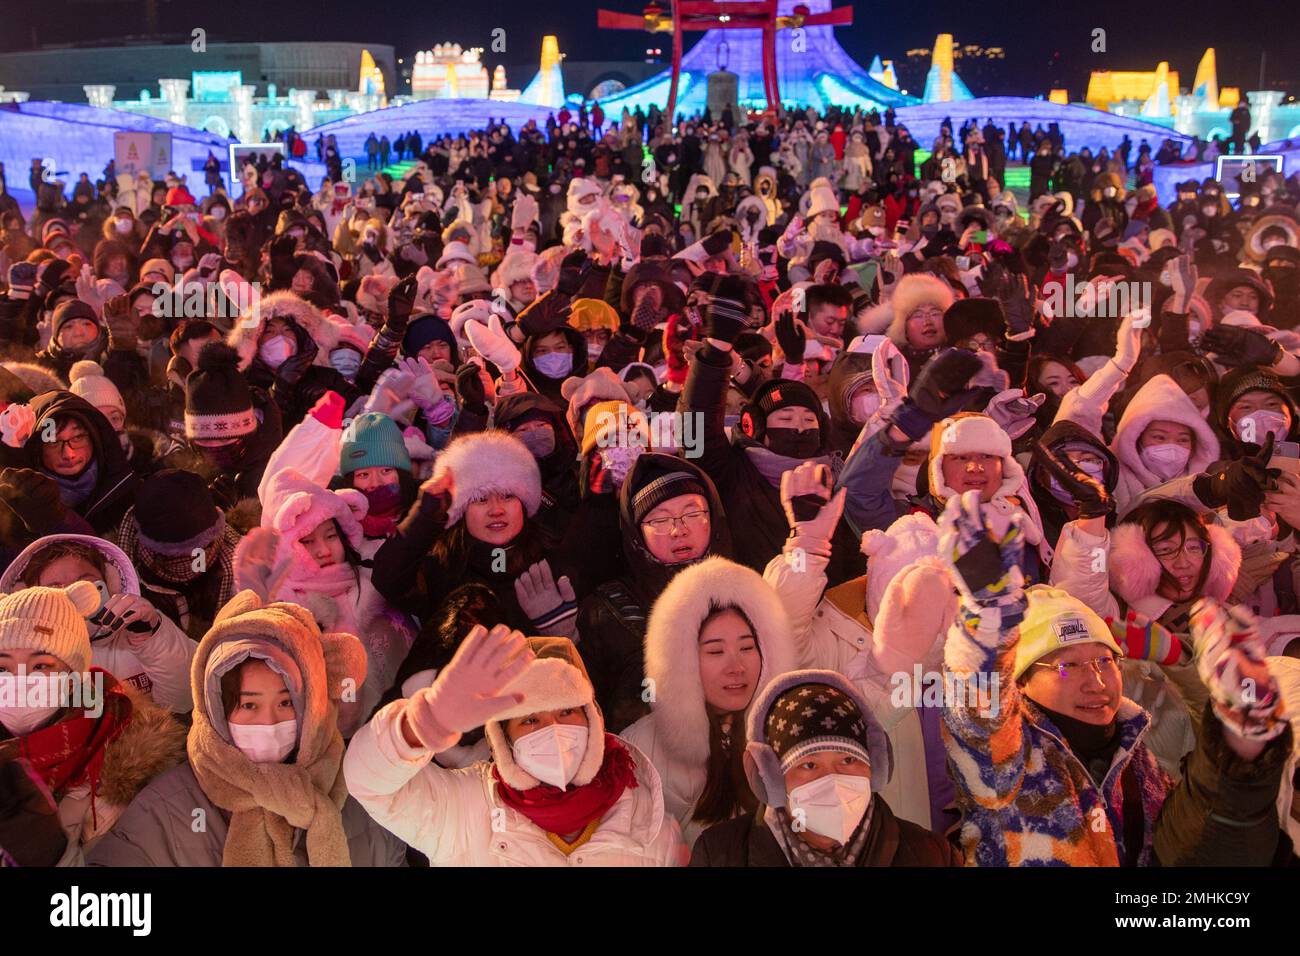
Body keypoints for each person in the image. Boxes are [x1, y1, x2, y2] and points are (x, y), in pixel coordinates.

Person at [87, 590, 405, 866]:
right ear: (217, 709)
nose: (268, 722)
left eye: (286, 703)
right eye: (249, 705)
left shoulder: (361, 794)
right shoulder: (165, 810)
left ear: (313, 703)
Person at [343, 628, 688, 865]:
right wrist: (425, 724)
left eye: (566, 711)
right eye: (530, 721)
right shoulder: (462, 809)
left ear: (592, 719)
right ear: (504, 741)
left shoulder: (648, 820)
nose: (552, 729)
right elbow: (369, 784)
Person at [690, 670, 961, 866]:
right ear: (771, 778)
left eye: (848, 760)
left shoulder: (933, 856)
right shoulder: (719, 855)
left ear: (875, 768)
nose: (832, 779)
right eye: (809, 765)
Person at [0, 582, 186, 866]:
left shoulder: (127, 768)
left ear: (75, 677)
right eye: (2, 668)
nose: (20, 679)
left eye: (41, 666)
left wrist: (46, 850)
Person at [621, 556, 797, 846]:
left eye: (747, 647)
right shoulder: (640, 748)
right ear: (682, 659)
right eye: (716, 652)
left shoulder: (786, 733)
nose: (736, 666)